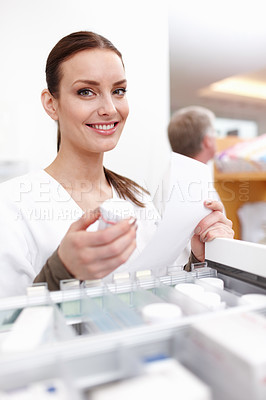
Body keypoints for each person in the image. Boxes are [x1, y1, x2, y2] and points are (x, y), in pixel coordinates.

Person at [0, 32, 234, 297]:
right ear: (51, 104)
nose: (109, 108)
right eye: (86, 92)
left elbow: (161, 295)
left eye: (118, 91)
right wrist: (60, 272)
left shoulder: (139, 199)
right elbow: (9, 329)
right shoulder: (10, 206)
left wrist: (199, 259)